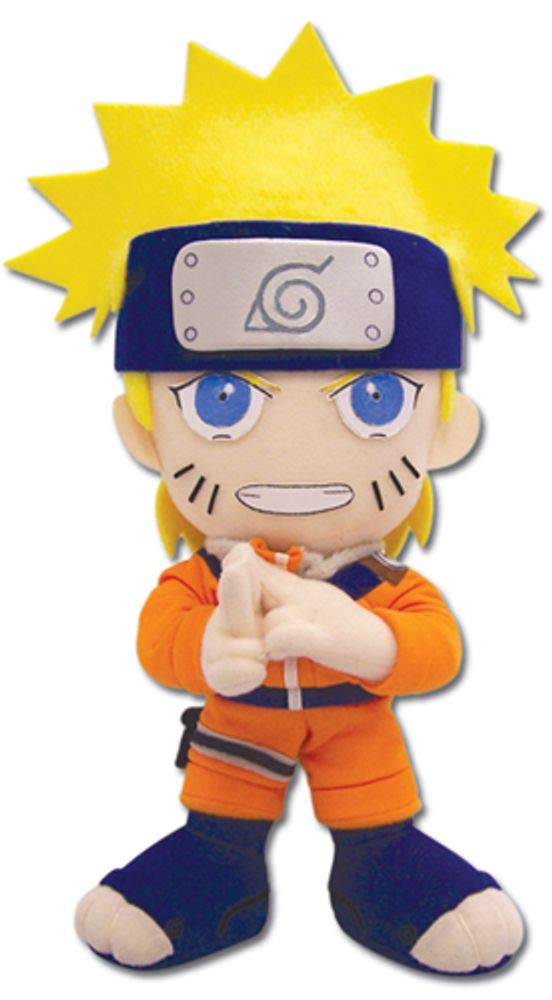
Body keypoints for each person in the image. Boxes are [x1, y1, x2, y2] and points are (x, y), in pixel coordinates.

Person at [8, 26, 536, 976]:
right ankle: (219, 867)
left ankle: (379, 865)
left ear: (444, 433)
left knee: (375, 811)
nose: (296, 459)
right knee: (220, 815)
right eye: (221, 401)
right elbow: (159, 637)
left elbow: (435, 650)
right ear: (145, 435)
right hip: (237, 735)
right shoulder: (209, 577)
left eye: (375, 401)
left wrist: (363, 640)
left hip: (356, 732)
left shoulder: (382, 585)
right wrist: (208, 649)